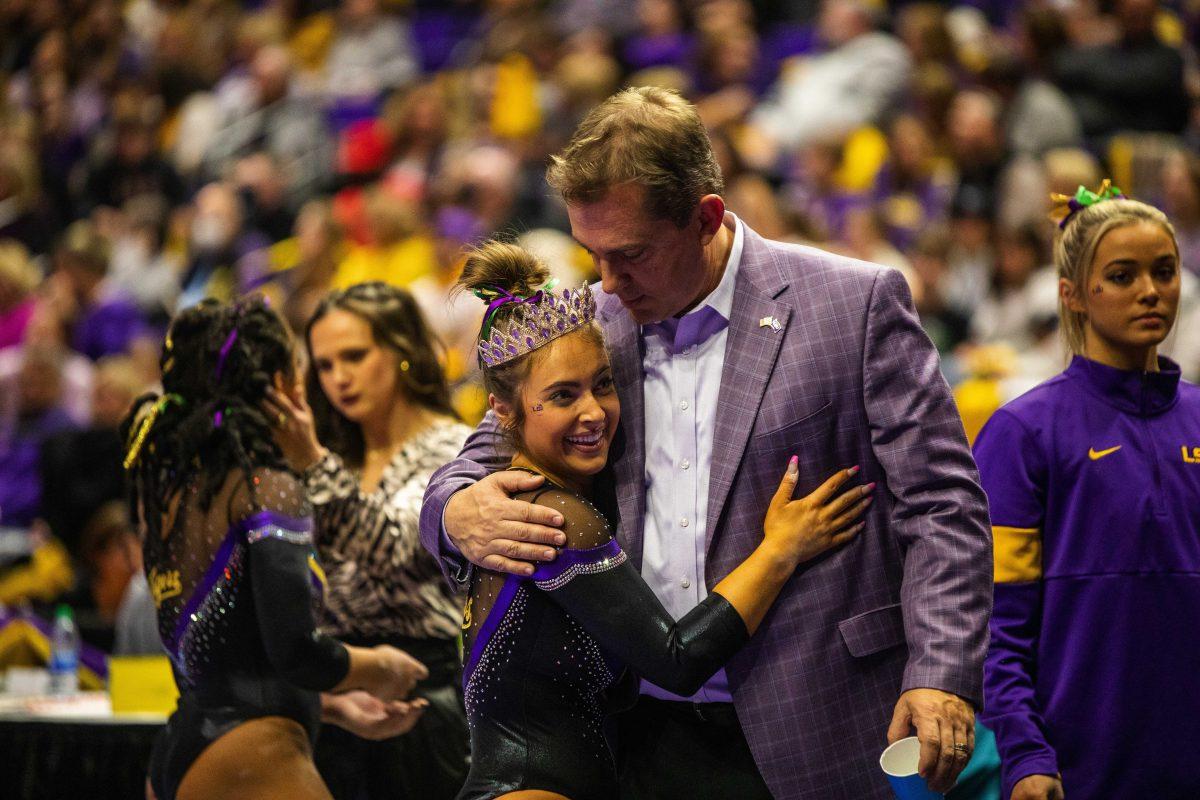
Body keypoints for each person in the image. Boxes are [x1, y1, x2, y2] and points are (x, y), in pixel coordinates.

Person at [421, 87, 993, 800]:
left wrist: (941, 673)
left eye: (629, 255)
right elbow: (483, 449)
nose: (607, 280)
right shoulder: (597, 319)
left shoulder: (856, 303)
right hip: (644, 735)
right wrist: (455, 510)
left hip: (828, 718)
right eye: (592, 254)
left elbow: (941, 504)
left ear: (706, 217)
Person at [453, 241, 870, 800]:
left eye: (603, 384)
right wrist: (780, 551)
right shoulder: (555, 519)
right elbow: (675, 660)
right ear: (502, 410)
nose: (593, 413)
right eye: (562, 396)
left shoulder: (527, 501)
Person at [123, 297, 428, 800]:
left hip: (182, 749)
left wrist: (333, 706)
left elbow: (232, 655)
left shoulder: (173, 488)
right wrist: (381, 667)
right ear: (282, 384)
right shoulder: (266, 487)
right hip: (251, 755)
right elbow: (295, 649)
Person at [974, 184, 1200, 800]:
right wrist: (1024, 753)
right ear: (1072, 295)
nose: (1151, 291)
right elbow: (997, 624)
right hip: (1075, 771)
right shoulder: (1022, 433)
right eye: (1123, 276)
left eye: (1165, 272)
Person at [264, 281, 473, 799]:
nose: (339, 378)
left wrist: (311, 462)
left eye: (354, 356)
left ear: (403, 350)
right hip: (329, 693)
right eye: (326, 365)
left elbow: (400, 552)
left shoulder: (456, 448)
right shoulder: (337, 455)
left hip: (419, 697)